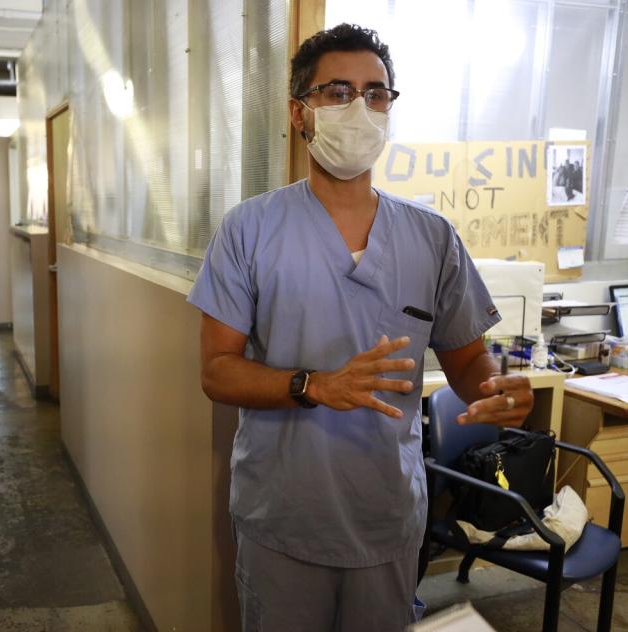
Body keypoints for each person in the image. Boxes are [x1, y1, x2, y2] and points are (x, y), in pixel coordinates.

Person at [186, 23, 534, 632]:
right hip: (283, 515)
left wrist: (498, 394)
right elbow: (217, 371)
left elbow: (467, 364)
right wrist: (312, 386)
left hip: (387, 516)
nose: (361, 108)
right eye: (338, 92)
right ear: (301, 112)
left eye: (376, 94)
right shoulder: (249, 230)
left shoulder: (432, 239)